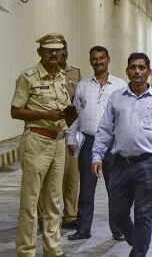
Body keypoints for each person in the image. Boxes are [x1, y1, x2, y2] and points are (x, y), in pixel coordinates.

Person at [91, 52, 152, 257]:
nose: (137, 71)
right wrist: (97, 155)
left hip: (147, 164)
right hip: (120, 164)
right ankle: (136, 238)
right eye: (133, 67)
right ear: (127, 71)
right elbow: (105, 130)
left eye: (142, 68)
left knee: (143, 213)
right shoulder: (117, 98)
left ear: (148, 72)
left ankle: (139, 252)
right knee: (117, 213)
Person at [11, 33, 77, 257]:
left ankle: (53, 248)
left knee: (53, 199)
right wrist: (44, 114)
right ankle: (26, 250)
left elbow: (64, 110)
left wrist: (72, 114)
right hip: (37, 140)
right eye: (50, 50)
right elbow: (16, 110)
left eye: (58, 50)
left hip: (58, 142)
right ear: (40, 52)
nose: (55, 54)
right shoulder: (29, 77)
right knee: (30, 201)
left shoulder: (62, 77)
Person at [66, 46, 127, 241]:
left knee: (115, 189)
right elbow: (74, 115)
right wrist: (70, 138)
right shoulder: (83, 85)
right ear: (90, 61)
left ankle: (118, 229)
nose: (98, 61)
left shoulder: (120, 85)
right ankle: (83, 229)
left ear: (108, 59)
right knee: (86, 188)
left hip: (112, 144)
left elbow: (126, 116)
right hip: (89, 143)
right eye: (94, 58)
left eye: (102, 58)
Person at [57, 39, 81, 229]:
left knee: (72, 176)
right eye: (57, 51)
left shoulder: (74, 72)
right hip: (51, 132)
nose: (61, 55)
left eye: (64, 51)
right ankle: (43, 215)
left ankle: (70, 215)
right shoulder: (37, 75)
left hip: (71, 131)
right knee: (49, 177)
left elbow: (78, 101)